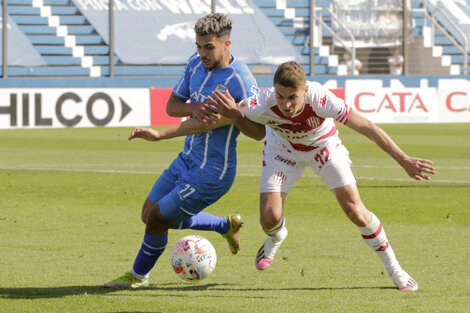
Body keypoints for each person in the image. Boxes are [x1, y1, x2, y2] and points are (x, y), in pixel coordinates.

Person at [210, 61, 435, 291]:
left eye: (292, 97)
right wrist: (233, 116)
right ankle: (277, 238)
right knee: (268, 219)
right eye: (280, 96)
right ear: (273, 89)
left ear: (305, 91)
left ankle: (395, 268)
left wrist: (403, 159)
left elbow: (368, 127)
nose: (286, 104)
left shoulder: (320, 98)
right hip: (282, 152)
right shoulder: (261, 103)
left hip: (323, 148)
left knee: (356, 211)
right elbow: (241, 125)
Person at [104, 13, 264, 289]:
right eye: (198, 46)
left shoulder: (241, 82)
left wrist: (236, 116)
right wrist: (192, 106)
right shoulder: (195, 64)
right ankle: (225, 226)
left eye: (209, 47)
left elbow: (259, 132)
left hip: (212, 173)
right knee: (149, 213)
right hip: (186, 160)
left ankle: (138, 277)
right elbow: (173, 106)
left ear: (227, 44)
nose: (202, 53)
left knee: (156, 221)